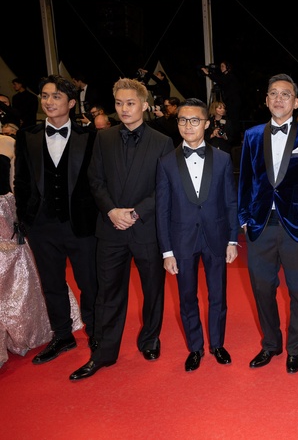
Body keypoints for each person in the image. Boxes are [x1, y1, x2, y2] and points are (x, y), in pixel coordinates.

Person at [69, 78, 174, 381]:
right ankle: (103, 353)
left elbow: (163, 187)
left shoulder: (162, 141)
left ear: (144, 105)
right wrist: (112, 211)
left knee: (152, 289)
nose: (124, 108)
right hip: (111, 227)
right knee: (108, 293)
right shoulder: (104, 138)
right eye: (119, 103)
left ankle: (150, 339)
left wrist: (136, 213)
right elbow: (95, 180)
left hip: (146, 229)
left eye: (130, 103)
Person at [238, 73, 298, 374]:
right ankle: (271, 344)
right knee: (262, 290)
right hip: (260, 225)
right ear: (266, 100)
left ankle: (296, 349)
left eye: (285, 94)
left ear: (296, 102)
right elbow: (245, 181)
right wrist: (244, 220)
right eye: (273, 93)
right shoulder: (252, 135)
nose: (279, 99)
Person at [13, 74, 99, 365]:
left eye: (56, 96)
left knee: (89, 282)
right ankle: (62, 335)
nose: (49, 102)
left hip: (82, 225)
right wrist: (26, 219)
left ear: (71, 103)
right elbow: (22, 181)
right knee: (52, 283)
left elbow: (97, 181)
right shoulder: (27, 135)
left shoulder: (90, 136)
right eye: (45, 96)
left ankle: (95, 330)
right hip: (42, 226)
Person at [156, 98, 239, 372]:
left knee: (218, 295)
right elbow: (162, 210)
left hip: (216, 238)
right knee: (187, 296)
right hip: (181, 241)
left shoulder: (223, 159)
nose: (188, 125)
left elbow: (230, 202)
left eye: (194, 120)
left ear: (206, 123)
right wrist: (167, 251)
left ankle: (217, 344)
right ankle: (195, 347)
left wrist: (232, 239)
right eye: (182, 120)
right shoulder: (166, 162)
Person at [0, 133, 53, 368]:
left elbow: (16, 183)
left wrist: (20, 217)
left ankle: (21, 329)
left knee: (14, 273)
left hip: (3, 214)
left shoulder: (8, 142)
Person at [201, 60, 242, 142]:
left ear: (228, 67)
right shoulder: (226, 77)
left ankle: (235, 140)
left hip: (233, 103)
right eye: (220, 66)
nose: (221, 68)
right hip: (230, 102)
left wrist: (208, 73)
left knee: (233, 122)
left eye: (223, 66)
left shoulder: (230, 76)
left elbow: (220, 80)